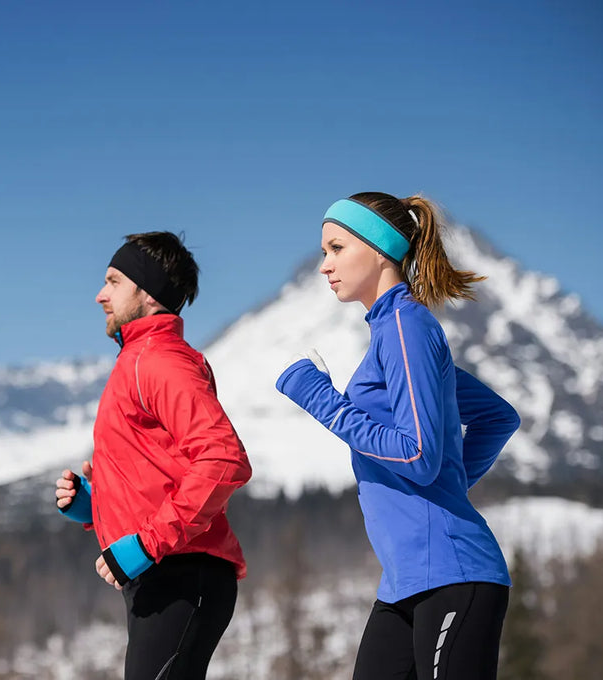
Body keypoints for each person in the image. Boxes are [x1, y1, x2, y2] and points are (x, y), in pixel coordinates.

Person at [275, 192, 521, 680]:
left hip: (454, 574)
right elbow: (496, 417)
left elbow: (418, 454)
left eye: (336, 248)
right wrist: (443, 486)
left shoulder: (406, 324)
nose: (325, 265)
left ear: (381, 248)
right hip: (402, 585)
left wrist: (323, 401)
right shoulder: (390, 330)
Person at [54, 231, 252, 680]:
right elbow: (160, 472)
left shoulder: (160, 362)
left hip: (183, 574)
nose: (99, 295)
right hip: (162, 578)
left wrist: (146, 543)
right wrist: (94, 502)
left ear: (147, 291)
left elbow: (224, 458)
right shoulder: (136, 360)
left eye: (113, 281)